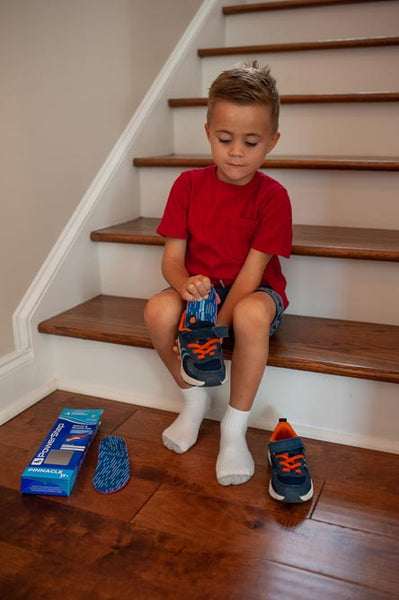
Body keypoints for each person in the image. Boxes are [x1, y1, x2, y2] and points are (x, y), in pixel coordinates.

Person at [144, 62, 292, 486]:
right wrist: (183, 287)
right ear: (209, 132)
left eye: (251, 141)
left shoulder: (274, 197)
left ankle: (234, 427)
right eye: (225, 139)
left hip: (254, 291)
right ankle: (193, 398)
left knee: (250, 315)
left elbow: (250, 276)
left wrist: (208, 334)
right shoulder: (187, 185)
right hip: (201, 291)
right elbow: (172, 261)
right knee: (156, 311)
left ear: (273, 142)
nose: (236, 152)